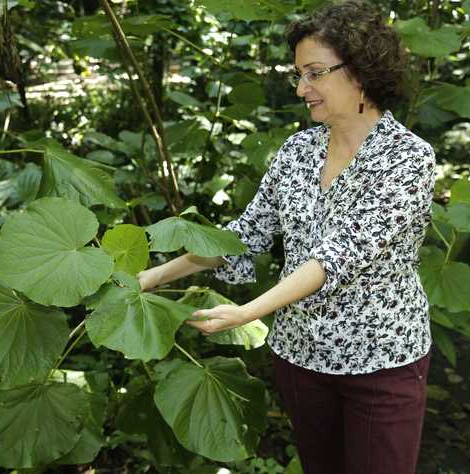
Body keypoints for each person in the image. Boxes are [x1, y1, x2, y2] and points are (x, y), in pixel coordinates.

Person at [137, 2, 436, 474]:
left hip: (381, 361)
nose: (302, 88)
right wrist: (151, 276)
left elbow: (336, 257)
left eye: (314, 73)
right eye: (298, 74)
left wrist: (246, 313)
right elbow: (245, 234)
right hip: (300, 356)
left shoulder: (408, 159)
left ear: (360, 71)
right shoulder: (298, 150)